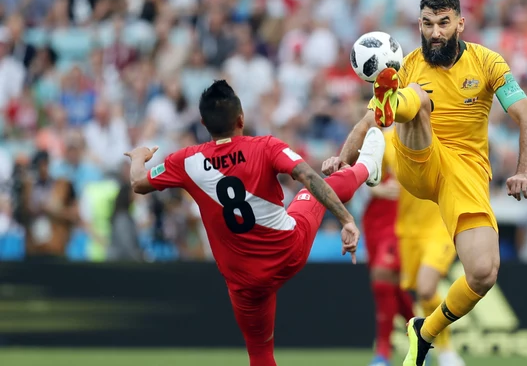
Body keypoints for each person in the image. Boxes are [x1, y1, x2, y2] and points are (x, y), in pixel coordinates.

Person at [322, 0, 527, 366]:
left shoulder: (489, 64)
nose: (435, 32)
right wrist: (342, 159)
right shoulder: (406, 65)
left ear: (460, 23)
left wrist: (523, 171)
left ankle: (424, 332)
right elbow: (364, 121)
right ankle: (390, 118)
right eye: (427, 24)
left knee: (484, 273)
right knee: (418, 98)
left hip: (465, 174)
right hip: (418, 161)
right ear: (419, 25)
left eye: (443, 23)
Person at [124, 80, 386, 366]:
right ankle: (368, 166)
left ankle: (367, 167)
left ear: (202, 123)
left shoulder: (186, 161)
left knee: (259, 354)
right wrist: (347, 219)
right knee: (309, 191)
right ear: (241, 119)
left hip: (245, 282)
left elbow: (138, 182)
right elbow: (310, 177)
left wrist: (139, 157)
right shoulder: (265, 146)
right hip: (288, 250)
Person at [364, 129, 464, 366]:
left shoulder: (444, 133)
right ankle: (421, 339)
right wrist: (375, 187)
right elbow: (371, 171)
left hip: (440, 225)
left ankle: (446, 351)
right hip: (407, 231)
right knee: (412, 289)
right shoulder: (388, 141)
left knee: (426, 288)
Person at [362, 128, 415, 366]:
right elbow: (362, 173)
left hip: (403, 221)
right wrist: (378, 188)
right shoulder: (380, 139)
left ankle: (382, 350)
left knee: (382, 275)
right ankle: (421, 335)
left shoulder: (423, 136)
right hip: (375, 219)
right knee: (390, 286)